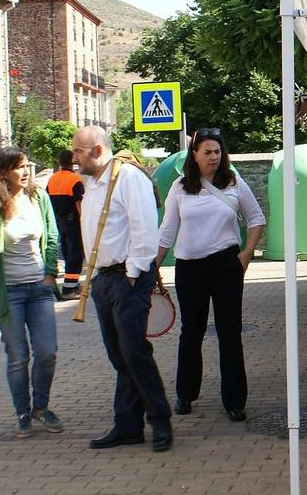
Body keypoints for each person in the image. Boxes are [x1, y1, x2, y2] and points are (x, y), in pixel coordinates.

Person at [73, 125, 174, 452]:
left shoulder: (128, 177)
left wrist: (131, 274)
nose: (74, 157)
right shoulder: (94, 183)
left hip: (126, 278)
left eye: (78, 151)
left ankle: (159, 420)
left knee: (134, 352)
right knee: (120, 356)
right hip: (106, 279)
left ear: (97, 151)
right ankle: (128, 424)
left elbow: (145, 228)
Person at [155, 127, 266, 422]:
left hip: (227, 264)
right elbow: (167, 231)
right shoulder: (180, 187)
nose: (214, 157)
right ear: (195, 155)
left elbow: (256, 218)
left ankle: (235, 400)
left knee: (230, 332)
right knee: (192, 331)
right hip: (190, 267)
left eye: (218, 151)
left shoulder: (234, 182)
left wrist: (247, 254)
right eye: (207, 152)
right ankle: (185, 394)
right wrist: (152, 266)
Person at [0, 146, 65, 439]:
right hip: (8, 293)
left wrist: (50, 273)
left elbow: (51, 236)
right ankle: (22, 413)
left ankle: (41, 407)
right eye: (20, 167)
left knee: (47, 352)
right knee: (17, 355)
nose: (26, 172)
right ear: (3, 171)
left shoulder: (38, 197)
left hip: (39, 289)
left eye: (27, 166)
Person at [47, 150, 85, 299]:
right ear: (73, 161)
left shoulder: (52, 178)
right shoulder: (75, 179)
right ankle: (69, 289)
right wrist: (85, 221)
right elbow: (79, 203)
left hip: (57, 221)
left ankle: (73, 285)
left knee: (66, 252)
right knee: (75, 254)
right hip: (72, 221)